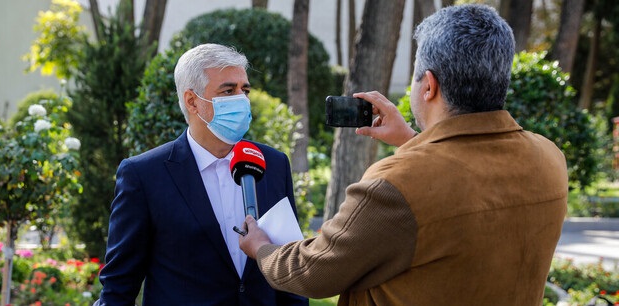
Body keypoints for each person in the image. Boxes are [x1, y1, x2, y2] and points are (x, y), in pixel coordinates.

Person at [239, 4, 568, 305]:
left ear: (428, 86)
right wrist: (413, 140)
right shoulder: (549, 158)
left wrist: (262, 248)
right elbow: (468, 183)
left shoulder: (395, 183)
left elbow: (314, 271)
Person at [96, 43, 308, 305]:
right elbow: (119, 286)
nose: (241, 99)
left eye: (245, 90)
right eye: (228, 90)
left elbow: (290, 269)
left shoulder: (273, 163)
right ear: (192, 101)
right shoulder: (143, 174)